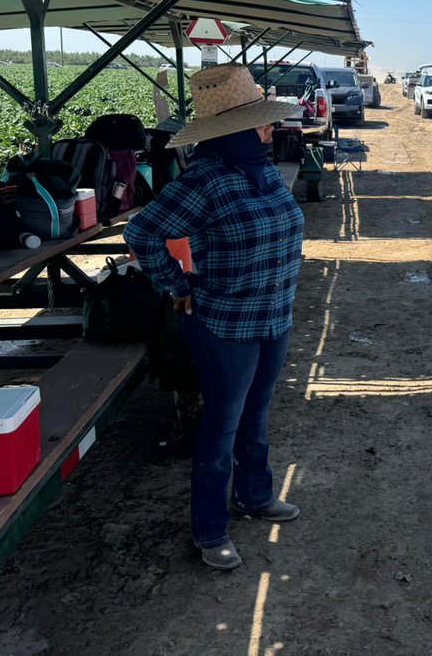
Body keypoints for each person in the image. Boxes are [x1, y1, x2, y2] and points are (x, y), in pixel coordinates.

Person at [124, 63, 304, 571]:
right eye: (262, 121)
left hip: (273, 316)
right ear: (236, 129)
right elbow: (142, 235)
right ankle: (209, 529)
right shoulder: (205, 178)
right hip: (224, 323)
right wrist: (179, 286)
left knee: (257, 414)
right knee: (222, 426)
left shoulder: (261, 167)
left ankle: (255, 495)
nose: (271, 129)